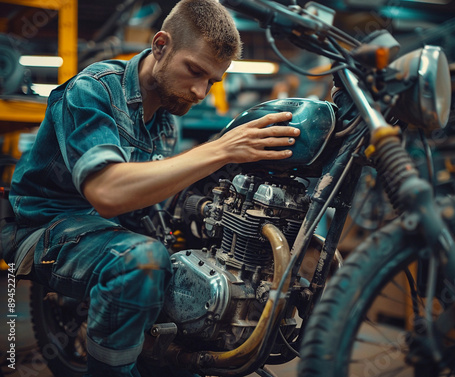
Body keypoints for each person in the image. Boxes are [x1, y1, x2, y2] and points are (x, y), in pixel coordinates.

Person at [0, 0, 300, 376]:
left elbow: (148, 197)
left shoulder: (165, 118)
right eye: (194, 71)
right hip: (45, 226)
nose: (200, 91)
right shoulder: (93, 90)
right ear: (161, 45)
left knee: (197, 275)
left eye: (212, 81)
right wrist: (221, 150)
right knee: (141, 261)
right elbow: (108, 193)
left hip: (111, 230)